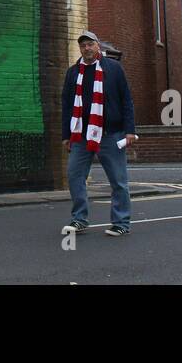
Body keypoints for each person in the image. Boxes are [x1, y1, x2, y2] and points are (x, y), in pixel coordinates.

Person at [61, 31, 137, 237]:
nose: (86, 49)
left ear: (97, 46)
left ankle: (121, 222)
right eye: (83, 46)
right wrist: (66, 135)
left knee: (118, 180)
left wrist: (130, 130)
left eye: (90, 45)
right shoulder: (73, 72)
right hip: (80, 135)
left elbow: (126, 100)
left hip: (110, 134)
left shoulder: (113, 69)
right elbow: (67, 105)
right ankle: (79, 219)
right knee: (74, 176)